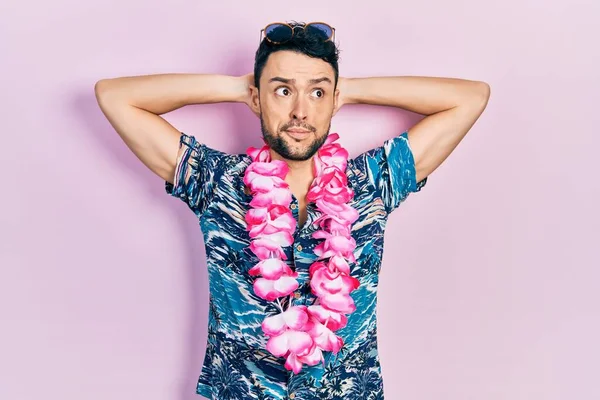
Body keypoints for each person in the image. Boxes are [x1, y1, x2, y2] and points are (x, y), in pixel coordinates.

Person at [95, 21, 490, 400]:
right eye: (283, 92)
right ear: (257, 98)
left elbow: (470, 97)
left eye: (317, 94)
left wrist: (345, 89)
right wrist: (241, 86)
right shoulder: (216, 183)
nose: (301, 111)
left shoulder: (371, 183)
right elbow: (114, 96)